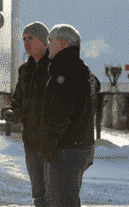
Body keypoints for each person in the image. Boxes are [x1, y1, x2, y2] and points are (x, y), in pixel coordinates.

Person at [38, 24, 101, 206]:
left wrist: (47, 150)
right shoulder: (83, 69)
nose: (48, 45)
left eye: (50, 41)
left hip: (66, 151)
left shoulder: (65, 72)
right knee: (69, 200)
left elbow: (59, 117)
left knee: (62, 202)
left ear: (63, 42)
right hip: (80, 148)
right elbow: (95, 88)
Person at [2, 21, 52, 207]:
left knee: (55, 193)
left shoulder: (55, 68)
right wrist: (11, 111)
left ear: (45, 42)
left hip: (52, 142)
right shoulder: (24, 70)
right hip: (31, 141)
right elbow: (18, 100)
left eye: (30, 38)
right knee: (39, 194)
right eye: (24, 38)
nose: (26, 42)